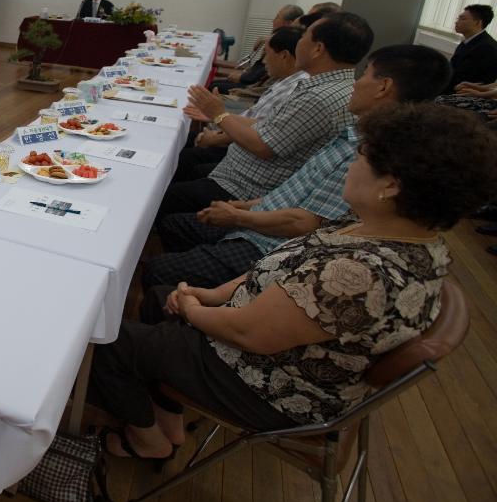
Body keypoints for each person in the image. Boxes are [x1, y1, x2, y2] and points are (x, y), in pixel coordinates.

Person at [89, 103, 496, 462]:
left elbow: (247, 333)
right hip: (277, 345)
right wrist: (213, 294)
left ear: (390, 185)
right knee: (162, 295)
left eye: (361, 157)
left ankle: (148, 441)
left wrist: (196, 310)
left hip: (273, 386)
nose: (351, 165)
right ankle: (167, 417)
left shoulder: (358, 273)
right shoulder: (398, 233)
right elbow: (283, 267)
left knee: (103, 342)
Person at [147, 45, 453, 291]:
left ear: (383, 87)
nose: (356, 83)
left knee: (160, 264)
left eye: (365, 75)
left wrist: (239, 215)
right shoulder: (359, 132)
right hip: (263, 215)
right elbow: (302, 189)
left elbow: (309, 222)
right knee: (175, 221)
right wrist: (252, 206)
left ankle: (178, 308)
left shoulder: (372, 151)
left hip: (271, 245)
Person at [158, 12, 374, 217]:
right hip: (240, 173)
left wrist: (220, 116)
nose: (299, 41)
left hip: (245, 188)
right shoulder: (324, 85)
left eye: (304, 36)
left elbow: (263, 147)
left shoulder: (319, 97)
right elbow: (270, 124)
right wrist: (219, 115)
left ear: (317, 49)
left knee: (163, 196)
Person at [176, 26, 304, 181]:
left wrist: (215, 131)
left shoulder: (296, 88)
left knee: (184, 157)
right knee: (182, 140)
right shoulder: (286, 81)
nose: (263, 62)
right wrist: (216, 117)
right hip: (235, 138)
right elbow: (257, 120)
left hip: (242, 155)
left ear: (284, 56)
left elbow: (260, 132)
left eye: (267, 55)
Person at [211, 4, 303, 92]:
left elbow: (264, 72)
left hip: (252, 86)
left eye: (277, 17)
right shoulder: (274, 38)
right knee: (212, 83)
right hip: (251, 78)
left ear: (289, 23)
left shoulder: (283, 42)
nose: (273, 21)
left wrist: (242, 77)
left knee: (212, 85)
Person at [446, 4, 497, 92]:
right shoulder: (468, 41)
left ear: (478, 23)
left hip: (464, 95)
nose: (456, 22)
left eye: (463, 19)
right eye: (458, 18)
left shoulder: (486, 48)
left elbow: (462, 80)